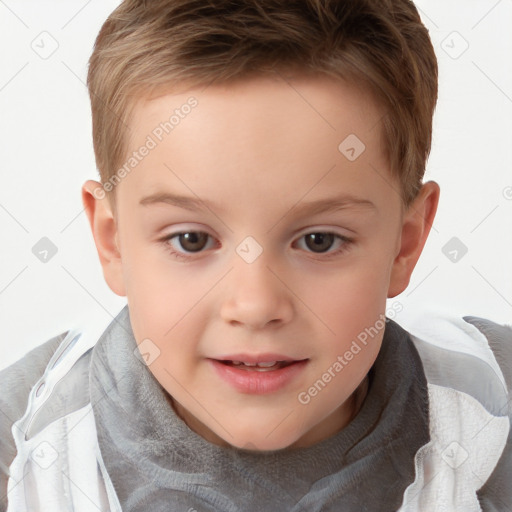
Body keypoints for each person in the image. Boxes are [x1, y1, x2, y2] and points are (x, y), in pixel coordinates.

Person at [1, 1, 510, 510]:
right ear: (112, 240)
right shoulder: (23, 449)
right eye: (191, 240)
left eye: (319, 241)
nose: (255, 304)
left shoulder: (492, 410)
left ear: (406, 241)